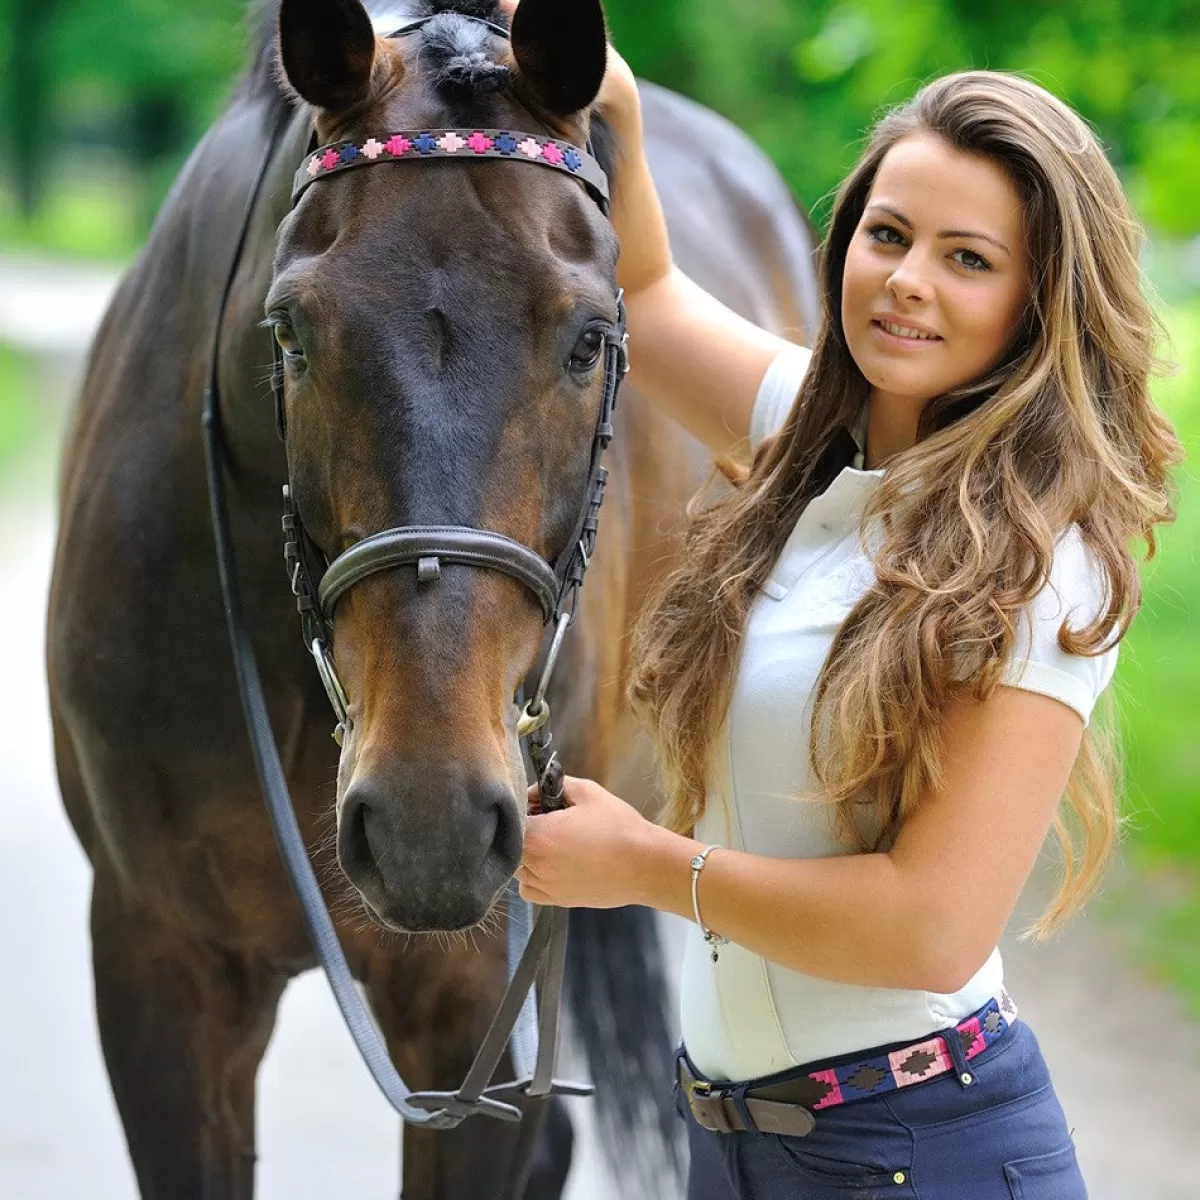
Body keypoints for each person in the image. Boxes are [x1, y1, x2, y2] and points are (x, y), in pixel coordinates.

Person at [508, 13, 1183, 1198]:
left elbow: (932, 928)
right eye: (889, 235)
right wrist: (613, 108)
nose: (907, 283)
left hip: (917, 1151)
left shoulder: (1042, 561)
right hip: (731, 1147)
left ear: (1038, 301)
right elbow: (650, 298)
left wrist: (647, 865)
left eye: (968, 259)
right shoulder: (806, 444)